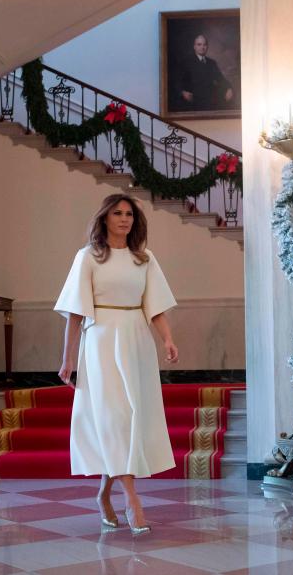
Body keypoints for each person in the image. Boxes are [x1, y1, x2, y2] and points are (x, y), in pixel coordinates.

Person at [55, 193, 179, 536]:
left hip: (137, 340)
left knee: (129, 420)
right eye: (117, 213)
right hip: (101, 342)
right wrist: (68, 358)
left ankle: (104, 495)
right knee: (114, 418)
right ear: (105, 218)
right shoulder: (89, 257)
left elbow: (155, 306)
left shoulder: (144, 259)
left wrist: (167, 339)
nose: (124, 219)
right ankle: (132, 500)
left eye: (129, 214)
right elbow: (76, 313)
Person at [177, 33, 235, 110]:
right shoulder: (186, 62)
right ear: (194, 47)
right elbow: (176, 81)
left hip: (209, 103)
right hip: (193, 104)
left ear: (207, 47)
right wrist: (182, 92)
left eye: (204, 45)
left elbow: (221, 79)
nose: (202, 47)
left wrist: (229, 88)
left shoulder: (212, 63)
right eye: (199, 44)